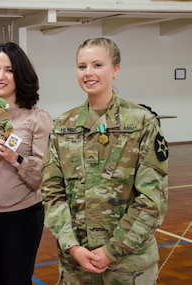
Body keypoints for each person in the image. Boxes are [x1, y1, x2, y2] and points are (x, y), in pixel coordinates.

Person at [41, 37, 169, 285]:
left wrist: (111, 251)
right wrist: (72, 247)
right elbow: (51, 194)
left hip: (128, 268)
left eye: (97, 65)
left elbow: (152, 200)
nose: (88, 73)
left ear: (116, 69)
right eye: (82, 66)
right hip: (77, 267)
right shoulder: (63, 126)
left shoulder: (142, 123)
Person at [0, 42, 53, 285]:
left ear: (21, 75)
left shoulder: (37, 118)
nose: (0, 76)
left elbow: (43, 177)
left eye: (9, 70)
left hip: (21, 215)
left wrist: (14, 158)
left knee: (16, 280)